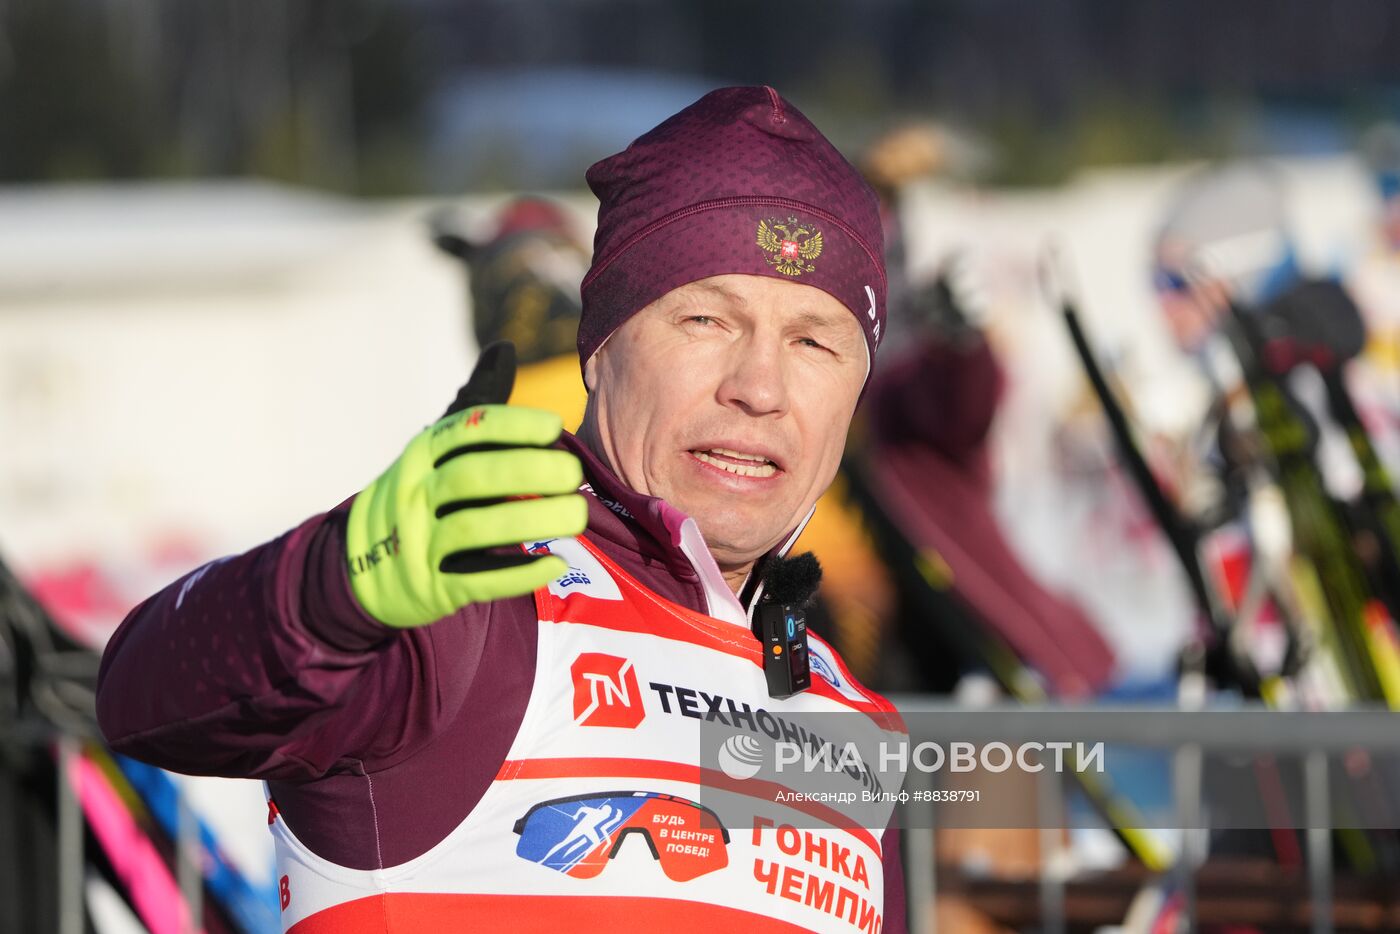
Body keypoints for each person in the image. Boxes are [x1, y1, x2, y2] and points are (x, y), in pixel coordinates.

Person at [96, 87, 907, 933]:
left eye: (815, 341)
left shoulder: (851, 725)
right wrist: (331, 588)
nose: (760, 389)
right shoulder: (476, 598)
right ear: (599, 347)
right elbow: (145, 700)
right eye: (706, 318)